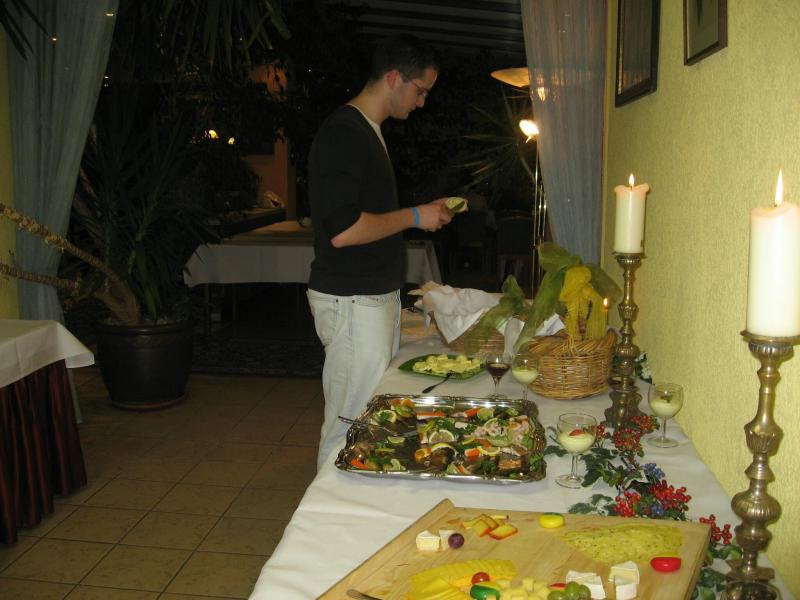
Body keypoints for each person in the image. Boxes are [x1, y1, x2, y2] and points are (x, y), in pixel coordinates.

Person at [307, 34, 453, 469]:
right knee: (348, 426)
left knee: (367, 423)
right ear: (394, 77)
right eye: (420, 90)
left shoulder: (367, 132)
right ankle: (327, 511)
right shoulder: (344, 133)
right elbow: (343, 230)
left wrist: (419, 214)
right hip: (352, 301)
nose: (422, 102)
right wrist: (415, 216)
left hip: (368, 299)